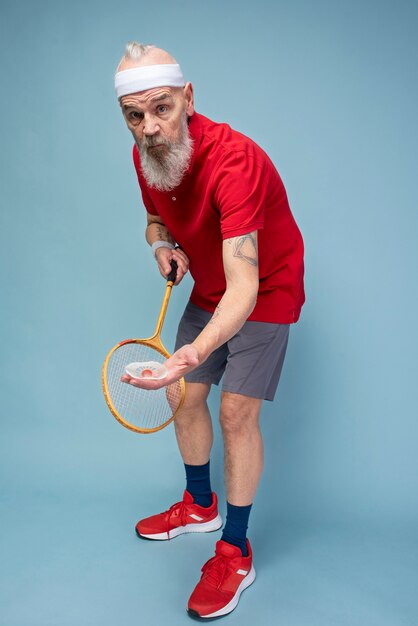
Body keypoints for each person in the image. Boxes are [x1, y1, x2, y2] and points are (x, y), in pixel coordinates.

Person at [115, 41, 305, 619]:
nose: (150, 127)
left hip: (264, 289)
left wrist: (192, 349)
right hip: (210, 288)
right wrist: (162, 245)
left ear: (188, 98)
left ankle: (235, 548)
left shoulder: (235, 161)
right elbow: (154, 217)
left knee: (234, 413)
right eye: (135, 116)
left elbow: (244, 288)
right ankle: (200, 505)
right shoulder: (146, 155)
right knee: (182, 391)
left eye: (162, 108)